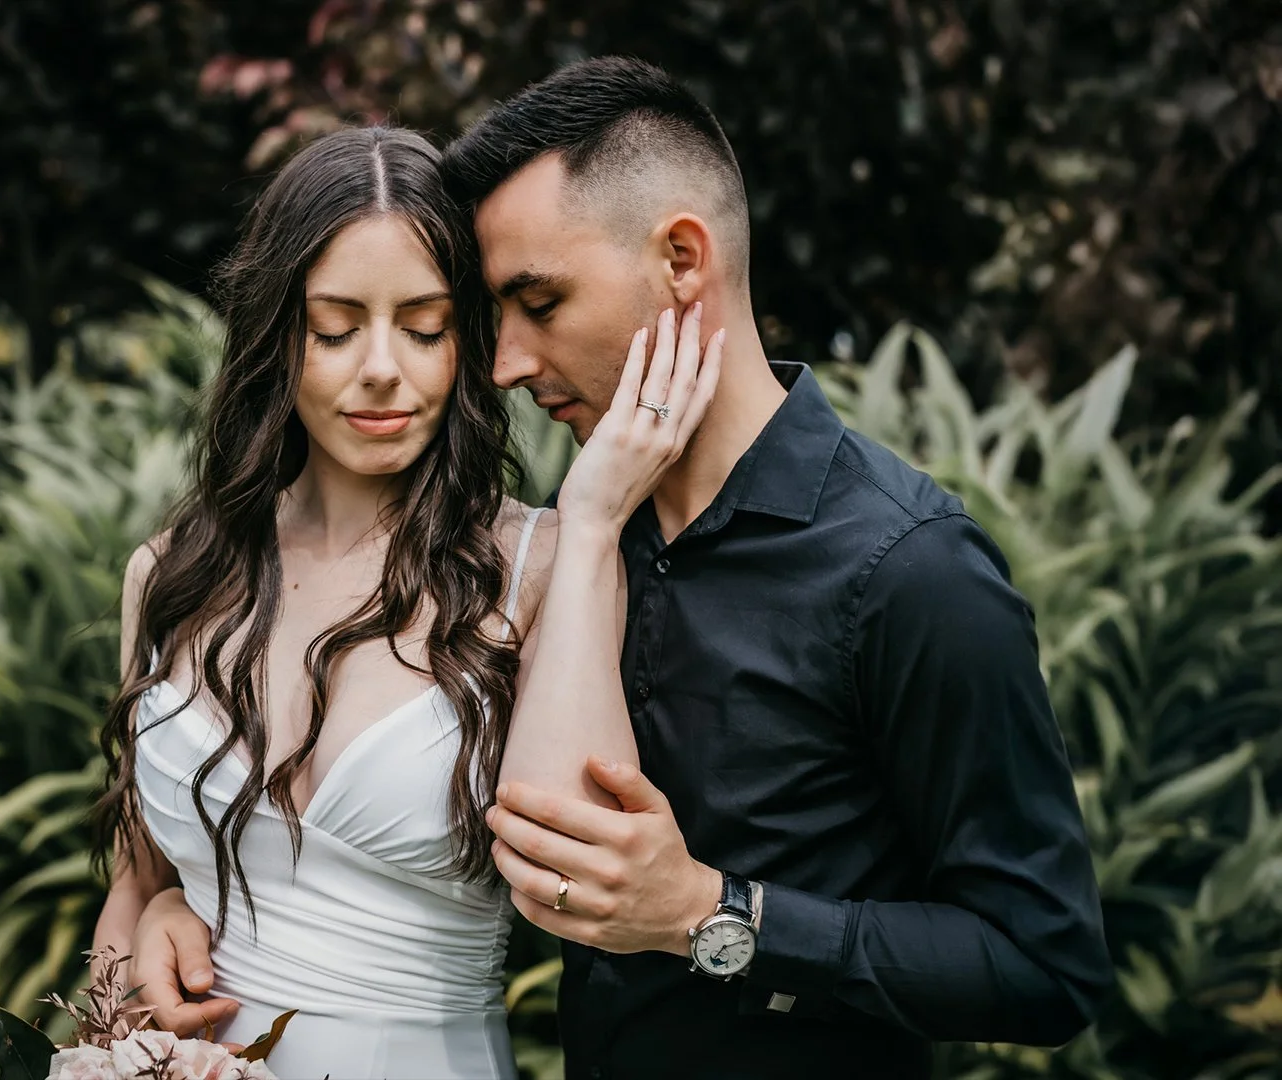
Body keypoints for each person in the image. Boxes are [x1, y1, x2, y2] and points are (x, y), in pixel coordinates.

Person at [126, 58, 1113, 1079]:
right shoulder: (568, 535)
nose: (502, 363)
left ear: (682, 259)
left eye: (540, 302)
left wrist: (716, 916)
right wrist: (175, 898)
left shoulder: (910, 571)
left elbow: (1044, 965)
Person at [90, 125, 720, 1080]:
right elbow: (134, 890)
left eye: (425, 328)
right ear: (274, 334)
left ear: (469, 341)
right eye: (335, 328)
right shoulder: (172, 574)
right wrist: (148, 950)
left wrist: (593, 524)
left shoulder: (540, 565)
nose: (382, 366)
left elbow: (570, 877)